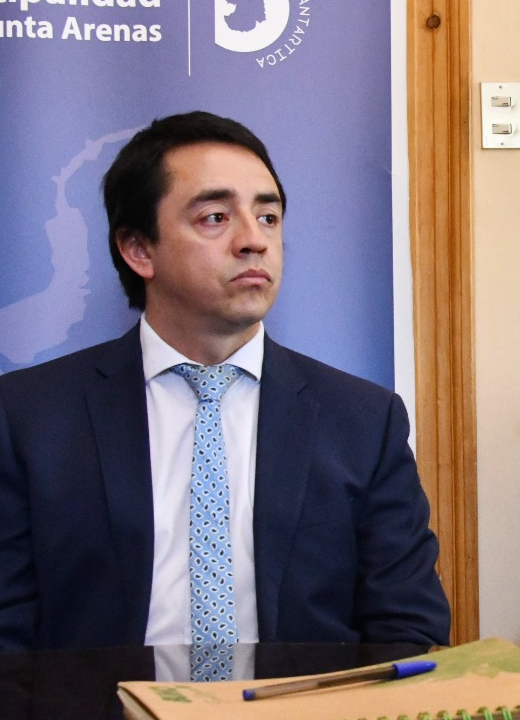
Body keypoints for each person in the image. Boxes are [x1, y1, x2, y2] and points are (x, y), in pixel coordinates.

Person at [0, 112, 451, 653]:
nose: (254, 241)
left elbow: (408, 630)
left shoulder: (363, 420)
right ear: (139, 249)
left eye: (268, 217)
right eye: (215, 217)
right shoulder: (29, 417)